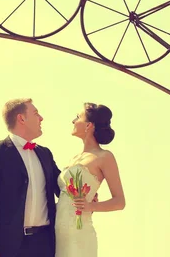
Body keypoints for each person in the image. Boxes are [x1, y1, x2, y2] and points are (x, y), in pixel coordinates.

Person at [0, 98, 60, 257]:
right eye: (36, 114)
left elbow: (62, 188)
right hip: (7, 246)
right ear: (21, 118)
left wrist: (87, 195)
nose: (41, 118)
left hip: (44, 245)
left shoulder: (45, 153)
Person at [54, 102, 126, 257]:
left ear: (89, 126)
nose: (73, 121)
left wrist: (90, 206)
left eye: (77, 117)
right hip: (57, 233)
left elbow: (120, 201)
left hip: (80, 234)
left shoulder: (104, 157)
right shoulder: (73, 158)